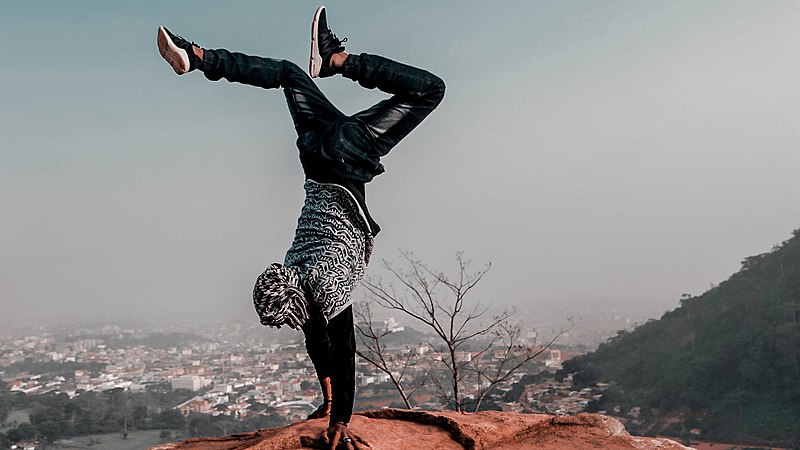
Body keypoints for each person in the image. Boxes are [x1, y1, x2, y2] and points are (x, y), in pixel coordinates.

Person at [157, 5, 444, 450]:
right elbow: (317, 337)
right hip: (314, 159)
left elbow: (341, 347)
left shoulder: (324, 287)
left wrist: (341, 418)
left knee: (429, 90)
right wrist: (327, 400)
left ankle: (339, 61)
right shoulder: (294, 268)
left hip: (343, 158)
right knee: (290, 74)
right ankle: (197, 57)